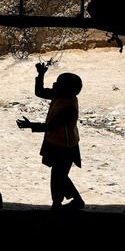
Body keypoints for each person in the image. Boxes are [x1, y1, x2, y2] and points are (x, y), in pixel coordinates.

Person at [18, 63, 84, 210]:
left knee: (57, 177)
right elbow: (40, 92)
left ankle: (57, 204)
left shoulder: (69, 108)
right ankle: (73, 201)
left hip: (65, 147)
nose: (54, 84)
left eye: (58, 83)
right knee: (60, 175)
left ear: (67, 90)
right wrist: (40, 75)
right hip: (58, 143)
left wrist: (30, 126)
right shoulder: (62, 95)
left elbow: (50, 126)